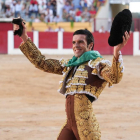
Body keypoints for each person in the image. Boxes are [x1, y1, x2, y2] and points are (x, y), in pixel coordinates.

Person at [13, 20, 130, 140]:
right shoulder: (71, 64)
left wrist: (116, 52)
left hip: (86, 126)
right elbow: (42, 63)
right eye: (74, 42)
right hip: (70, 124)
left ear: (90, 45)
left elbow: (114, 78)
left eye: (80, 42)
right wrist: (24, 37)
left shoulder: (98, 64)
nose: (76, 45)